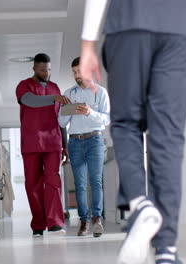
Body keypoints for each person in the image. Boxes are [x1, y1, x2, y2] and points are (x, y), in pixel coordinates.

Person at [79, 0, 186, 263]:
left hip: (128, 25)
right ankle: (166, 249)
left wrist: (88, 43)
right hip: (180, 29)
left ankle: (140, 205)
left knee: (125, 123)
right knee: (168, 136)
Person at [15, 53, 70, 237]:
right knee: (33, 184)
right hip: (31, 142)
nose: (46, 73)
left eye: (48, 70)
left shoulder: (55, 87)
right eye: (42, 70)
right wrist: (53, 98)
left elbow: (61, 118)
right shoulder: (24, 86)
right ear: (34, 68)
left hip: (53, 141)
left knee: (53, 182)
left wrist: (65, 144)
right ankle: (38, 223)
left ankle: (55, 222)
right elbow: (29, 101)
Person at [58, 57, 110, 237]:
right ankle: (84, 222)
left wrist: (90, 112)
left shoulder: (100, 92)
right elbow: (62, 122)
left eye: (79, 71)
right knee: (79, 184)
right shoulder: (69, 94)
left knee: (95, 181)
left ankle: (97, 219)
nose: (76, 75)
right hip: (75, 142)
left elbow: (106, 118)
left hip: (95, 140)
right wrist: (65, 109)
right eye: (74, 72)